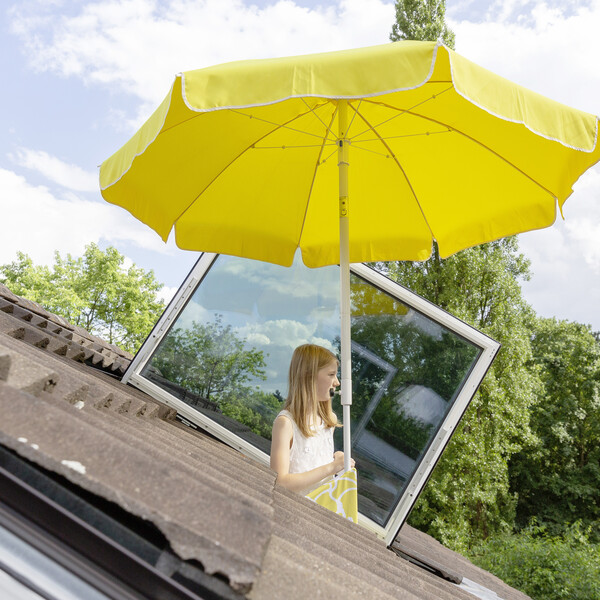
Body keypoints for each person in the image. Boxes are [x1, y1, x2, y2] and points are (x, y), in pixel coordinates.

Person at [270, 343, 354, 494]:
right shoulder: (286, 423)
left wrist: (338, 462)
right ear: (308, 376)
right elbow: (280, 482)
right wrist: (332, 467)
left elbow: (318, 475)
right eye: (331, 374)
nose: (337, 382)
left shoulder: (329, 421)